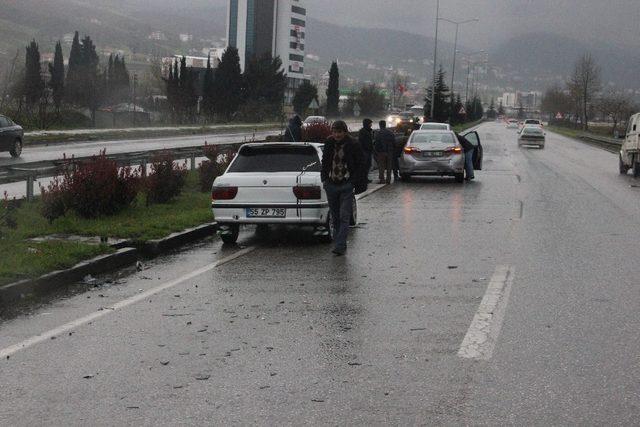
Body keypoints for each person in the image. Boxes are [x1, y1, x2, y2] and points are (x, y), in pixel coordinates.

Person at [321, 120, 365, 256]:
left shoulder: (353, 144)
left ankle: (339, 245)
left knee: (344, 216)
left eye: (339, 132)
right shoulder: (329, 143)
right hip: (331, 184)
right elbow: (325, 162)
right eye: (334, 132)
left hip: (346, 184)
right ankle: (340, 243)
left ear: (345, 132)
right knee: (335, 216)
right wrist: (325, 179)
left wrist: (354, 181)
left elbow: (360, 163)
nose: (337, 135)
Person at [358, 118, 374, 183]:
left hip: (368, 151)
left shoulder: (368, 131)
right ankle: (363, 179)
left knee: (368, 165)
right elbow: (363, 142)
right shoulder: (363, 132)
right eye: (370, 124)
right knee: (364, 166)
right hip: (365, 151)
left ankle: (365, 178)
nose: (371, 125)